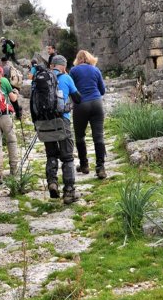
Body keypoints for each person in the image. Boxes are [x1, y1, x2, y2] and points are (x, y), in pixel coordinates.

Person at [33, 55, 82, 204]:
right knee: (67, 157)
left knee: (51, 155)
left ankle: (52, 183)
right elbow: (78, 98)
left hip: (45, 123)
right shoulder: (66, 78)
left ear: (52, 65)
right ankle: (69, 192)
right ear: (63, 66)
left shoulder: (40, 79)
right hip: (62, 121)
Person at [68, 50, 108, 178]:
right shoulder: (95, 70)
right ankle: (100, 168)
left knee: (80, 136)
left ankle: (84, 165)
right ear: (90, 58)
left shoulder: (73, 71)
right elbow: (102, 90)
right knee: (98, 136)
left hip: (81, 105)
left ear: (77, 60)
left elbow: (71, 90)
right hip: (97, 104)